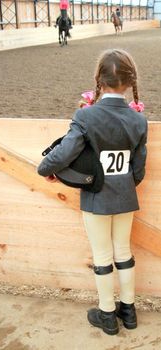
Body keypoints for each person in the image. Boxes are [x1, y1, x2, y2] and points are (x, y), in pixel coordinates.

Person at [37, 49, 147, 336]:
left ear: (99, 80)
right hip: (125, 198)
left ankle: (107, 314)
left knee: (102, 255)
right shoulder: (139, 120)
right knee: (123, 252)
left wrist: (45, 168)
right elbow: (138, 171)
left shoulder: (86, 116)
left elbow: (63, 154)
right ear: (129, 81)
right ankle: (129, 311)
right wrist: (121, 186)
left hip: (97, 198)